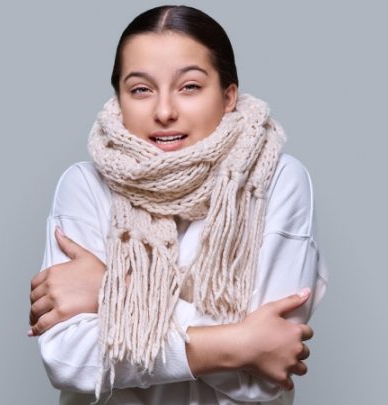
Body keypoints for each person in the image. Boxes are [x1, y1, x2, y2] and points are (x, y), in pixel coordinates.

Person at [28, 5, 329, 404]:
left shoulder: (273, 181)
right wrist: (239, 343)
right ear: (118, 99)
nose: (165, 111)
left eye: (189, 86)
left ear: (228, 96)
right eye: (140, 89)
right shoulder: (86, 185)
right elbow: (68, 360)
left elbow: (262, 380)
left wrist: (113, 288)